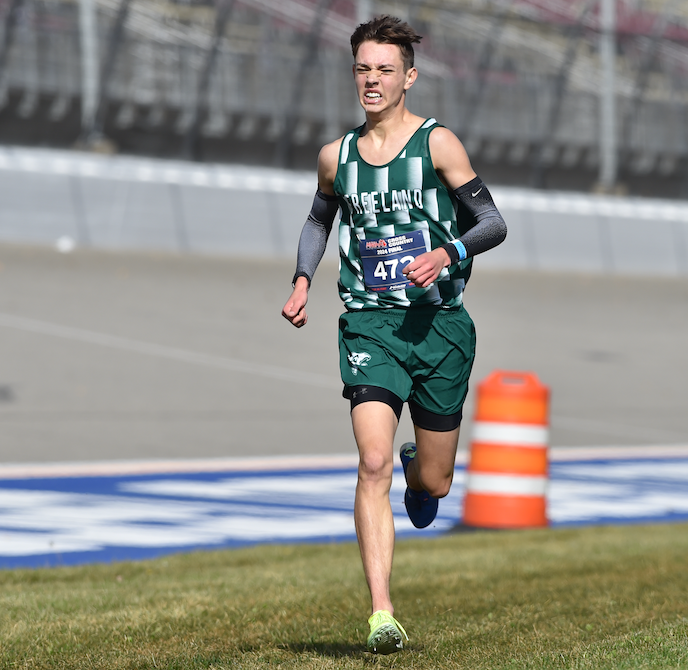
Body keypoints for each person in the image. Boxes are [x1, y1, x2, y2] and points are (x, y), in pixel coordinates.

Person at [280, 15, 508, 655]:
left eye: (384, 69)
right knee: (371, 460)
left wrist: (449, 253)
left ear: (409, 76)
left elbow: (492, 222)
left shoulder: (439, 145)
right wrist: (302, 278)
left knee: (433, 483)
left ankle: (421, 471)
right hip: (370, 322)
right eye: (362, 69)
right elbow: (318, 221)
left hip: (438, 326)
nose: (372, 80)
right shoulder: (337, 157)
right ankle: (382, 611)